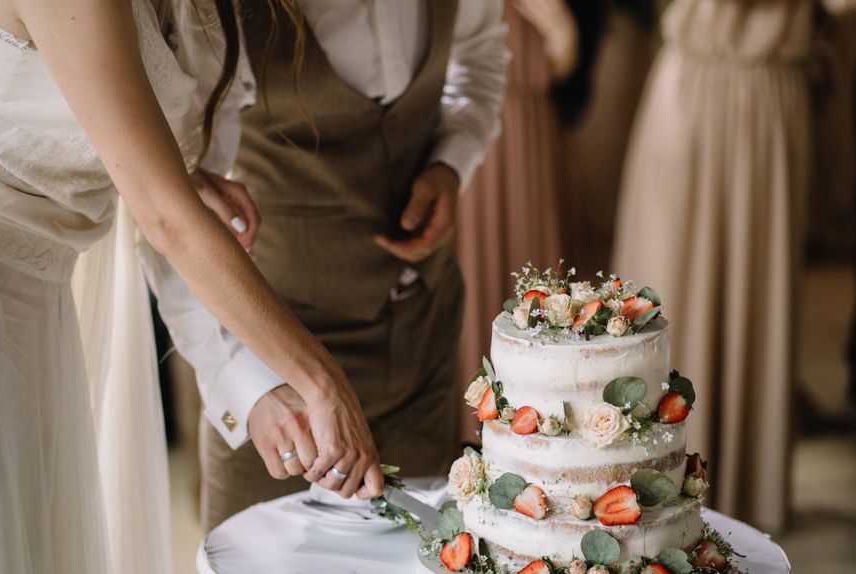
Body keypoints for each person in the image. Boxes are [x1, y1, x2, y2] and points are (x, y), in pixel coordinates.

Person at [0, 0, 382, 574]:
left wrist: (175, 179)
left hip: (37, 310)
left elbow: (136, 169)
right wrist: (320, 377)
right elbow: (166, 217)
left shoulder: (202, 17)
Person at [187, 0, 509, 533]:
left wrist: (452, 160)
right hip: (277, 380)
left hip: (422, 346)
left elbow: (480, 55)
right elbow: (174, 209)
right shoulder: (220, 12)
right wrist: (246, 384)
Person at [612, 0, 855, 534]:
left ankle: (741, 493)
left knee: (755, 302)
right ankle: (643, 491)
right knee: (673, 295)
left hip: (769, 90)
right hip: (697, 81)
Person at [456, 0, 608, 442]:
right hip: (467, 135)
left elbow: (566, 69)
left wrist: (562, 29)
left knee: (537, 291)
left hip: (530, 133)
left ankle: (538, 439)